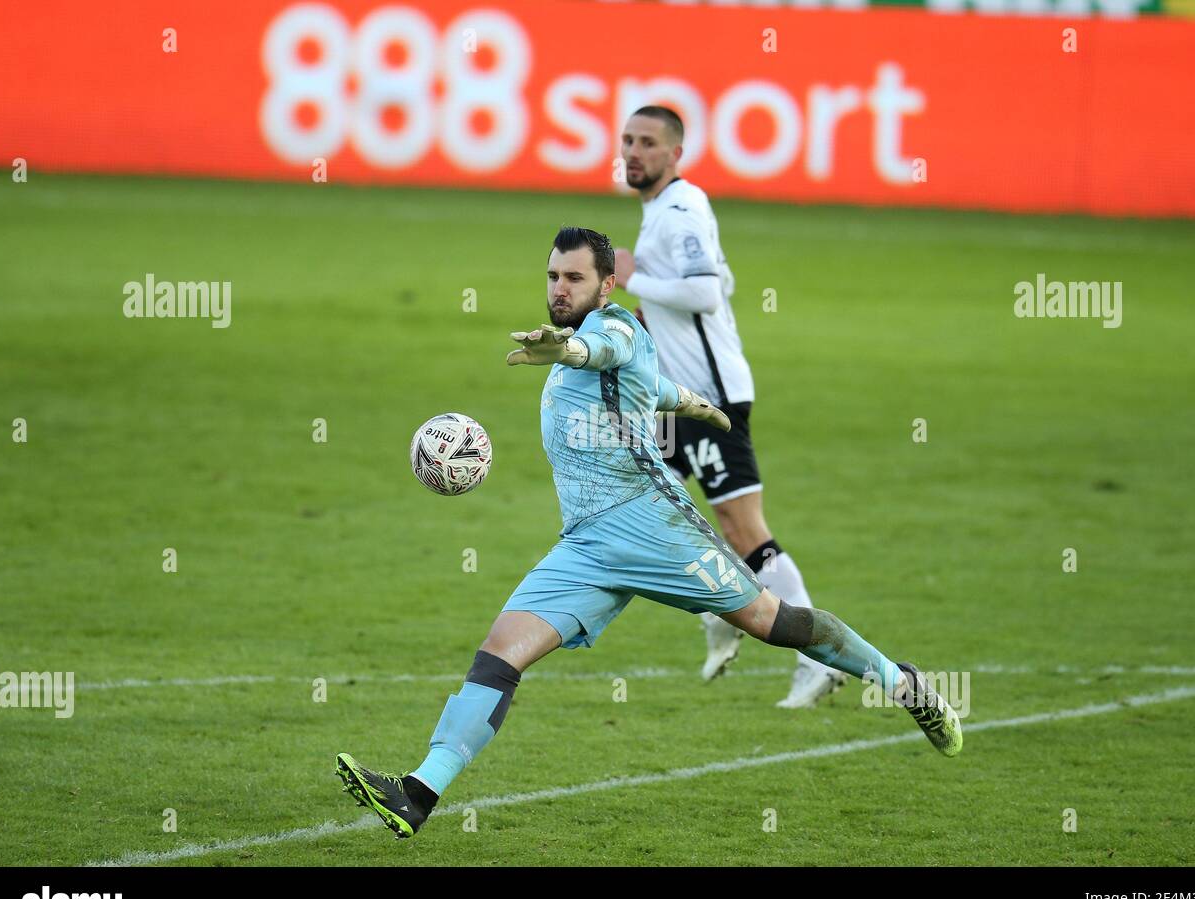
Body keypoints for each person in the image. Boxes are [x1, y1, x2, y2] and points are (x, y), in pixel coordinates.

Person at [336, 226, 961, 840]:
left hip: (654, 526)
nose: (560, 287)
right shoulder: (578, 343)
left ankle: (903, 684)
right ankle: (417, 794)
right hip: (586, 545)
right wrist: (692, 403)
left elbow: (605, 352)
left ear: (606, 284)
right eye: (553, 275)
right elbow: (648, 384)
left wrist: (571, 350)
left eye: (575, 277)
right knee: (501, 652)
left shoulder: (614, 328)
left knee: (776, 623)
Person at [614, 105, 844, 707]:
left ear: (674, 154)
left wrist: (632, 279)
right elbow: (722, 280)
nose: (634, 152)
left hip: (712, 402)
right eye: (627, 141)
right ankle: (720, 608)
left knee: (744, 526)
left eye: (647, 143)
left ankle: (815, 653)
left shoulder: (682, 208)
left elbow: (707, 292)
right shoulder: (663, 212)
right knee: (655, 510)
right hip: (676, 400)